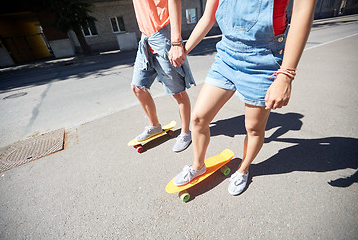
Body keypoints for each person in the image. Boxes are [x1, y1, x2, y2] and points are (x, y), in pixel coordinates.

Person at [170, 0, 316, 195]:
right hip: (226, 56)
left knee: (254, 128)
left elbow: (301, 14)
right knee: (198, 118)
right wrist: (184, 49)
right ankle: (198, 166)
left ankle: (243, 169)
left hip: (263, 60)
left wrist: (286, 75)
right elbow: (208, 17)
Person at [131, 0, 195, 152]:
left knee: (178, 93)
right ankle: (154, 126)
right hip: (145, 38)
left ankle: (186, 133)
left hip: (163, 35)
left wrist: (176, 42)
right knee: (137, 87)